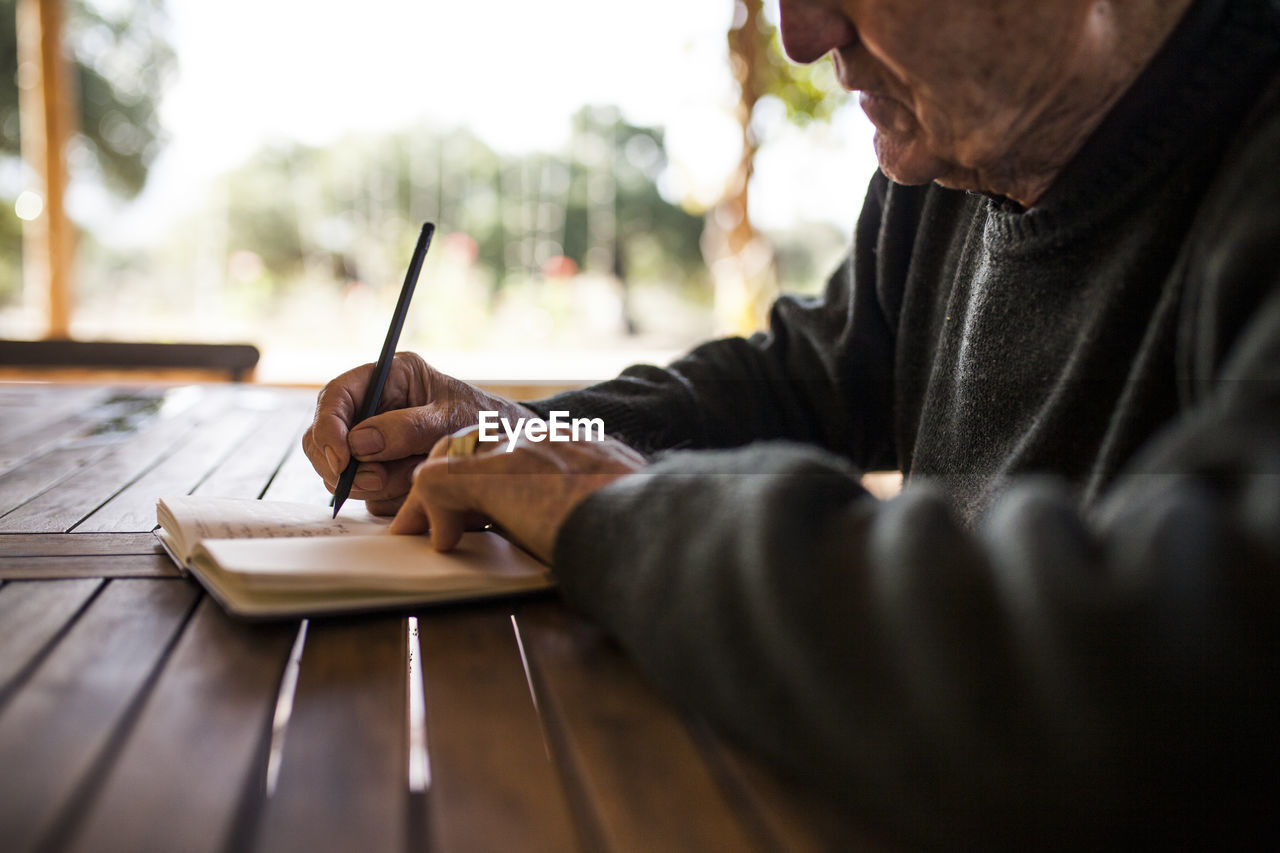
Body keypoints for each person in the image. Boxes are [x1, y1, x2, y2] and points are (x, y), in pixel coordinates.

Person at [304, 0, 1280, 846]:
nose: (803, 38)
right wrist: (504, 438)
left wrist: (605, 504)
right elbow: (795, 383)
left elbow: (1157, 676)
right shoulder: (950, 170)